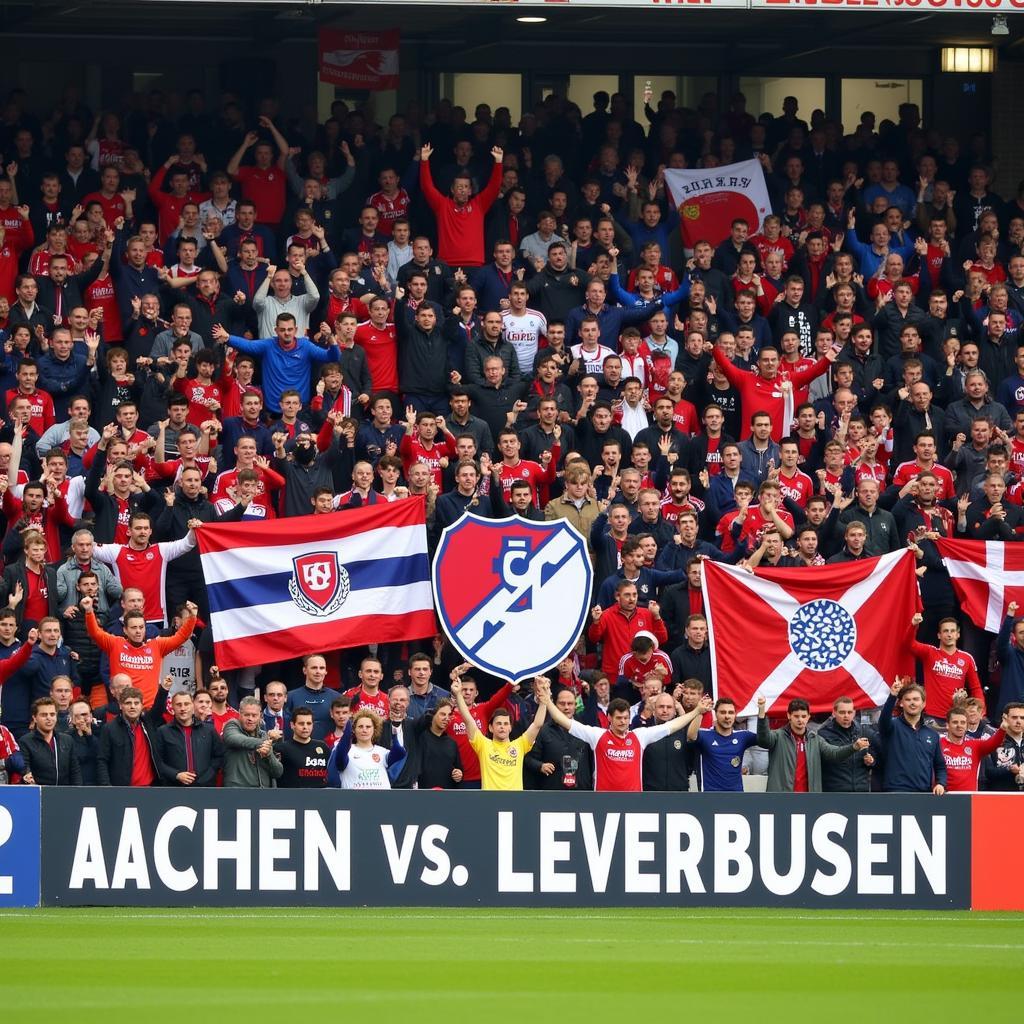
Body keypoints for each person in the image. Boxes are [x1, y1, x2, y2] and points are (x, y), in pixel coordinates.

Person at [538, 685, 709, 792]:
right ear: (609, 718)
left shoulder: (639, 736)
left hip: (633, 804)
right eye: (618, 718)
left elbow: (672, 726)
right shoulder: (597, 735)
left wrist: (696, 712)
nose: (623, 722)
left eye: (626, 718)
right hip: (603, 802)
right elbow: (564, 721)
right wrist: (547, 701)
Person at [83, 596, 196, 707]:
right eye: (133, 627)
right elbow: (95, 633)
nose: (138, 631)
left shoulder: (157, 645)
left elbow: (181, 636)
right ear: (125, 630)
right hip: (123, 708)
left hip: (149, 710)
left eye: (141, 627)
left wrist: (193, 616)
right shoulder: (115, 643)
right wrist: (89, 611)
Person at [450, 676, 547, 791]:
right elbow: (468, 720)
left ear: (510, 728)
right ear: (490, 728)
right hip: (490, 803)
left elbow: (537, 724)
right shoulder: (483, 745)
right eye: (499, 723)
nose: (502, 726)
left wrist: (544, 699)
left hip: (515, 803)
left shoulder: (520, 745)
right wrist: (458, 694)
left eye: (506, 724)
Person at [755, 694, 868, 792]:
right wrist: (761, 712)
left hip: (809, 800)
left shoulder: (815, 739)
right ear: (789, 716)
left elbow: (834, 754)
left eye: (804, 716)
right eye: (796, 716)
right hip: (782, 799)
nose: (800, 720)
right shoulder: (778, 736)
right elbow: (763, 739)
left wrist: (854, 747)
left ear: (809, 717)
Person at [909, 612, 984, 724]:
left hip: (956, 716)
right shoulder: (930, 652)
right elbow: (909, 644)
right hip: (932, 716)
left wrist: (981, 712)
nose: (949, 634)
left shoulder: (967, 658)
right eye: (945, 631)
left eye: (952, 631)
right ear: (939, 635)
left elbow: (976, 688)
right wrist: (913, 626)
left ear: (958, 634)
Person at [877, 677, 947, 794]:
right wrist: (892, 696)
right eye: (908, 699)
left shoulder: (932, 735)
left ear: (923, 703)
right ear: (901, 703)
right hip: (896, 792)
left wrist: (940, 783)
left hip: (924, 795)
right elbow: (883, 721)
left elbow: (940, 766)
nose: (912, 702)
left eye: (916, 699)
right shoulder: (892, 726)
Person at [525, 685, 593, 791]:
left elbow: (593, 763)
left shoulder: (585, 730)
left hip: (581, 795)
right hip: (553, 794)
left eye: (570, 704)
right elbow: (528, 759)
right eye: (562, 703)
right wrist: (540, 766)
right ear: (555, 705)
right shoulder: (543, 731)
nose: (566, 707)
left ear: (575, 706)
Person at [95, 684, 164, 786]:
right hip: (122, 791)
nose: (132, 706)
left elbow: (158, 708)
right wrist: (107, 788)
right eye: (128, 703)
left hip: (149, 789)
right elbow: (102, 760)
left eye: (136, 703)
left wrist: (164, 689)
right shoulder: (109, 728)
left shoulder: (148, 724)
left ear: (142, 705)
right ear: (120, 705)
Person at [687, 696, 760, 792]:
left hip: (736, 797)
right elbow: (691, 735)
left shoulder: (743, 736)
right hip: (710, 797)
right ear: (715, 714)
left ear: (735, 715)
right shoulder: (705, 735)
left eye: (731, 713)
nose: (727, 716)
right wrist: (700, 712)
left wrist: (762, 713)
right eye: (722, 712)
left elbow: (765, 739)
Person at [153, 690, 224, 787]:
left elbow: (219, 756)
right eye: (179, 704)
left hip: (205, 788)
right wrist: (176, 775)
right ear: (172, 707)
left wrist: (207, 777)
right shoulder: (163, 732)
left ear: (193, 706)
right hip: (174, 787)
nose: (183, 708)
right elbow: (157, 761)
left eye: (186, 704)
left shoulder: (209, 730)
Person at [326, 709, 404, 790]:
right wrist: (347, 731)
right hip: (354, 800)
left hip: (381, 799)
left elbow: (400, 752)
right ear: (354, 729)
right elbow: (341, 754)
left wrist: (395, 735)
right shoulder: (348, 751)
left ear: (374, 729)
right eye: (360, 726)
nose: (364, 730)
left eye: (368, 727)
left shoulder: (383, 752)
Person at [940, 704, 1007, 792]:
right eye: (955, 722)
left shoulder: (975, 744)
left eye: (963, 722)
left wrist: (1002, 729)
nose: (959, 725)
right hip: (943, 796)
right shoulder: (938, 743)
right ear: (947, 725)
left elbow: (993, 744)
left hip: (969, 798)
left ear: (967, 726)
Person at [222, 695, 284, 788]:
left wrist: (269, 754)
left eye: (254, 715)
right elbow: (234, 739)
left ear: (260, 716)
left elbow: (278, 772)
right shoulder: (232, 725)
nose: (250, 719)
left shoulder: (263, 735)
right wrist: (266, 741)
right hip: (237, 791)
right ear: (239, 713)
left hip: (263, 794)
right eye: (246, 715)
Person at [816, 696, 876, 792]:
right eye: (842, 712)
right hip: (835, 792)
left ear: (854, 713)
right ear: (834, 713)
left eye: (849, 712)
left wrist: (871, 761)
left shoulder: (864, 732)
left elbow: (875, 756)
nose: (846, 716)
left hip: (861, 792)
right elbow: (826, 759)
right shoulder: (823, 734)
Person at [18, 696, 81, 785]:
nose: (49, 718)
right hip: (39, 794)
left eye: (52, 714)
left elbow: (75, 772)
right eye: (44, 715)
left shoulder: (67, 740)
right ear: (35, 718)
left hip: (65, 794)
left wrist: (77, 793)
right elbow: (25, 770)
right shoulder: (25, 742)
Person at [274, 707, 329, 788]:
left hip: (319, 797)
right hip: (292, 798)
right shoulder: (282, 748)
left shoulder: (322, 747)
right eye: (301, 723)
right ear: (292, 725)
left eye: (309, 723)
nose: (305, 727)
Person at [413, 700, 463, 789]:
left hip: (447, 795)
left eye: (449, 715)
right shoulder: (419, 737)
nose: (446, 718)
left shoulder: (452, 743)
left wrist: (458, 774)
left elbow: (458, 769)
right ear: (433, 715)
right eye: (443, 714)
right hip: (423, 794)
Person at [985, 702, 1024, 791]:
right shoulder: (994, 742)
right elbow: (987, 772)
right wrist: (1009, 769)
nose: (1018, 721)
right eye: (1014, 717)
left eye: (1022, 718)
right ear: (1005, 718)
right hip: (1001, 797)